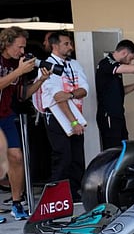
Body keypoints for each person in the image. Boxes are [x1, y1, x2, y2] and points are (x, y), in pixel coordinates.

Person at [0, 26, 50, 221]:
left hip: (5, 115)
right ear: (6, 43)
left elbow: (22, 95)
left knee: (16, 157)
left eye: (24, 47)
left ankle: (16, 203)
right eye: (19, 47)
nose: (22, 51)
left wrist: (41, 79)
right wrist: (19, 70)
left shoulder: (17, 64)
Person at [36, 30, 89, 203]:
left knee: (77, 157)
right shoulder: (47, 65)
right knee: (63, 156)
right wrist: (73, 121)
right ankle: (55, 196)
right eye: (66, 43)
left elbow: (84, 89)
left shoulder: (74, 64)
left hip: (76, 113)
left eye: (70, 43)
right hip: (58, 116)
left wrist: (72, 95)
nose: (70, 47)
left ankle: (74, 193)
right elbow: (58, 97)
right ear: (55, 45)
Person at [95, 39, 134, 151]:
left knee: (123, 147)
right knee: (113, 150)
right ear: (124, 53)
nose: (131, 62)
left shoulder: (116, 68)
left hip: (118, 115)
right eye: (131, 58)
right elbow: (133, 69)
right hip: (109, 116)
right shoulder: (107, 63)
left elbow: (121, 91)